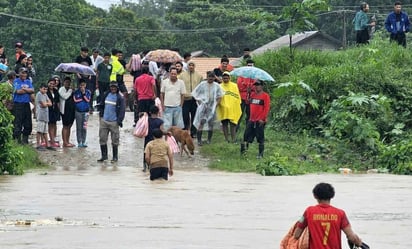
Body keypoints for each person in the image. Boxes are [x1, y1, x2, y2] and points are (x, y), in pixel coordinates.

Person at [293, 182, 363, 249]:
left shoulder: (309, 211)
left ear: (315, 196)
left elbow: (296, 235)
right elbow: (351, 236)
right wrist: (359, 243)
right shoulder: (340, 213)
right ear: (332, 195)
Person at [240, 80, 270, 159]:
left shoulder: (265, 96)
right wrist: (248, 93)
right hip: (251, 119)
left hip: (259, 120)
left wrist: (262, 119)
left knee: (260, 138)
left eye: (258, 85)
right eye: (255, 85)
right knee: (246, 136)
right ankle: (244, 152)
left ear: (262, 86)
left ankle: (260, 154)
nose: (257, 86)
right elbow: (247, 102)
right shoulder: (252, 95)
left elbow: (266, 109)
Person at [192, 71, 223, 145]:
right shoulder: (202, 84)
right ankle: (199, 141)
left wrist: (215, 105)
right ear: (207, 77)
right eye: (209, 77)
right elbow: (195, 93)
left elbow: (220, 96)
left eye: (212, 77)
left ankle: (209, 140)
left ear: (214, 78)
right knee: (201, 123)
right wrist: (200, 102)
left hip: (212, 107)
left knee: (210, 123)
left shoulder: (216, 85)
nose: (210, 78)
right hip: (203, 106)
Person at [97, 81, 125, 163]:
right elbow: (101, 105)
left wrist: (119, 121)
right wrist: (101, 116)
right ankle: (104, 156)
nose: (113, 88)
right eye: (112, 87)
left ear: (117, 88)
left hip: (114, 122)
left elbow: (122, 111)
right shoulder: (106, 95)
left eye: (114, 87)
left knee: (115, 140)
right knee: (102, 138)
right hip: (104, 121)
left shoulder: (120, 98)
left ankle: (115, 157)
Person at [179, 61, 203, 137]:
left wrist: (199, 98)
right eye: (190, 65)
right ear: (187, 66)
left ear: (194, 66)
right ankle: (185, 131)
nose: (191, 66)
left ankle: (193, 132)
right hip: (185, 98)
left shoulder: (199, 76)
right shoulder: (182, 76)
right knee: (185, 116)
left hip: (194, 99)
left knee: (195, 116)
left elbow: (201, 88)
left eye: (192, 65)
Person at [217, 72, 241, 143]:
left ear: (229, 78)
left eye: (227, 78)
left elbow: (237, 97)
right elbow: (218, 97)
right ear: (222, 78)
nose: (225, 79)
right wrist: (223, 104)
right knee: (224, 123)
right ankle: (226, 139)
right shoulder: (219, 86)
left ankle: (233, 139)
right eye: (224, 78)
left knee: (233, 124)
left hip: (233, 107)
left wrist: (234, 105)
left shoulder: (234, 86)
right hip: (223, 107)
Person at [12, 67, 34, 144]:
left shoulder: (28, 81)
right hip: (18, 104)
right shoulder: (16, 81)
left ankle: (25, 140)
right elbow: (18, 91)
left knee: (28, 122)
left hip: (26, 104)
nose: (24, 74)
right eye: (22, 72)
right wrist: (27, 90)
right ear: (19, 73)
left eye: (25, 73)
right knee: (18, 122)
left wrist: (25, 89)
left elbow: (32, 90)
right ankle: (17, 140)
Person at [142, 105, 166, 172]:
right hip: (157, 141)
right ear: (158, 112)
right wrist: (167, 133)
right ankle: (154, 167)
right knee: (155, 154)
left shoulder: (146, 120)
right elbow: (162, 131)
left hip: (147, 140)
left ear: (150, 112)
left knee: (146, 153)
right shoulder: (160, 121)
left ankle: (145, 167)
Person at [236, 59, 256, 132]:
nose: (250, 67)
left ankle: (248, 130)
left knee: (250, 115)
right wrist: (249, 86)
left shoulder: (256, 75)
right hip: (242, 98)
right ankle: (235, 130)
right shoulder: (242, 75)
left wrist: (246, 85)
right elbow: (239, 85)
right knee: (239, 114)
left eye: (251, 65)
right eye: (248, 65)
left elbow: (256, 86)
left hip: (252, 98)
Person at [35, 84, 55, 151]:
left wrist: (46, 103)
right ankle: (38, 145)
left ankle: (47, 145)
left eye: (46, 89)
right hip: (40, 115)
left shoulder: (45, 94)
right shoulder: (39, 94)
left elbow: (50, 103)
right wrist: (46, 103)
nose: (45, 90)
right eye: (44, 89)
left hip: (45, 116)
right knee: (39, 131)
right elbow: (43, 105)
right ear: (40, 88)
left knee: (45, 131)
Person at [59, 76, 76, 147]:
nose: (68, 84)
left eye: (69, 82)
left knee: (69, 125)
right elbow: (65, 96)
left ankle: (67, 141)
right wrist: (70, 91)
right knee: (65, 126)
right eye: (66, 82)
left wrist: (73, 90)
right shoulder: (61, 89)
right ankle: (64, 142)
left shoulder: (71, 89)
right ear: (63, 82)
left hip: (71, 109)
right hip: (65, 110)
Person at [73, 79, 91, 147]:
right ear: (79, 85)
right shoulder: (76, 92)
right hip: (78, 112)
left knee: (84, 127)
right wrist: (82, 98)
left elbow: (88, 100)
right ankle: (79, 142)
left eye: (83, 85)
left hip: (86, 112)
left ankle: (84, 141)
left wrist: (83, 94)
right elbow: (75, 100)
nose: (82, 86)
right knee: (79, 127)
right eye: (81, 85)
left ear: (85, 85)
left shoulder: (88, 92)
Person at [46, 78, 61, 147]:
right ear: (48, 83)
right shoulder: (46, 91)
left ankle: (53, 139)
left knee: (54, 124)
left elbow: (58, 101)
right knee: (50, 125)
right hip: (48, 110)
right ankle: (52, 140)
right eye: (50, 83)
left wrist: (59, 110)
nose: (51, 85)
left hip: (55, 110)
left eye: (53, 84)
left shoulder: (56, 91)